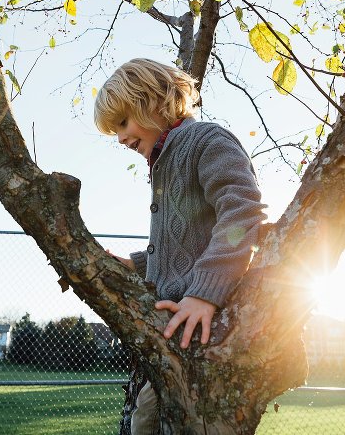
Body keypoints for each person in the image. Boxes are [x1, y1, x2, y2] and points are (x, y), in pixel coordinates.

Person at [94, 58, 267, 434]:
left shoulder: (206, 140)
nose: (121, 139)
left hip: (200, 325)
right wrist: (137, 264)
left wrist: (205, 293)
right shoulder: (163, 161)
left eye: (123, 123)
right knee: (144, 419)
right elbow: (182, 242)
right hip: (172, 325)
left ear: (154, 102)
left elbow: (241, 214)